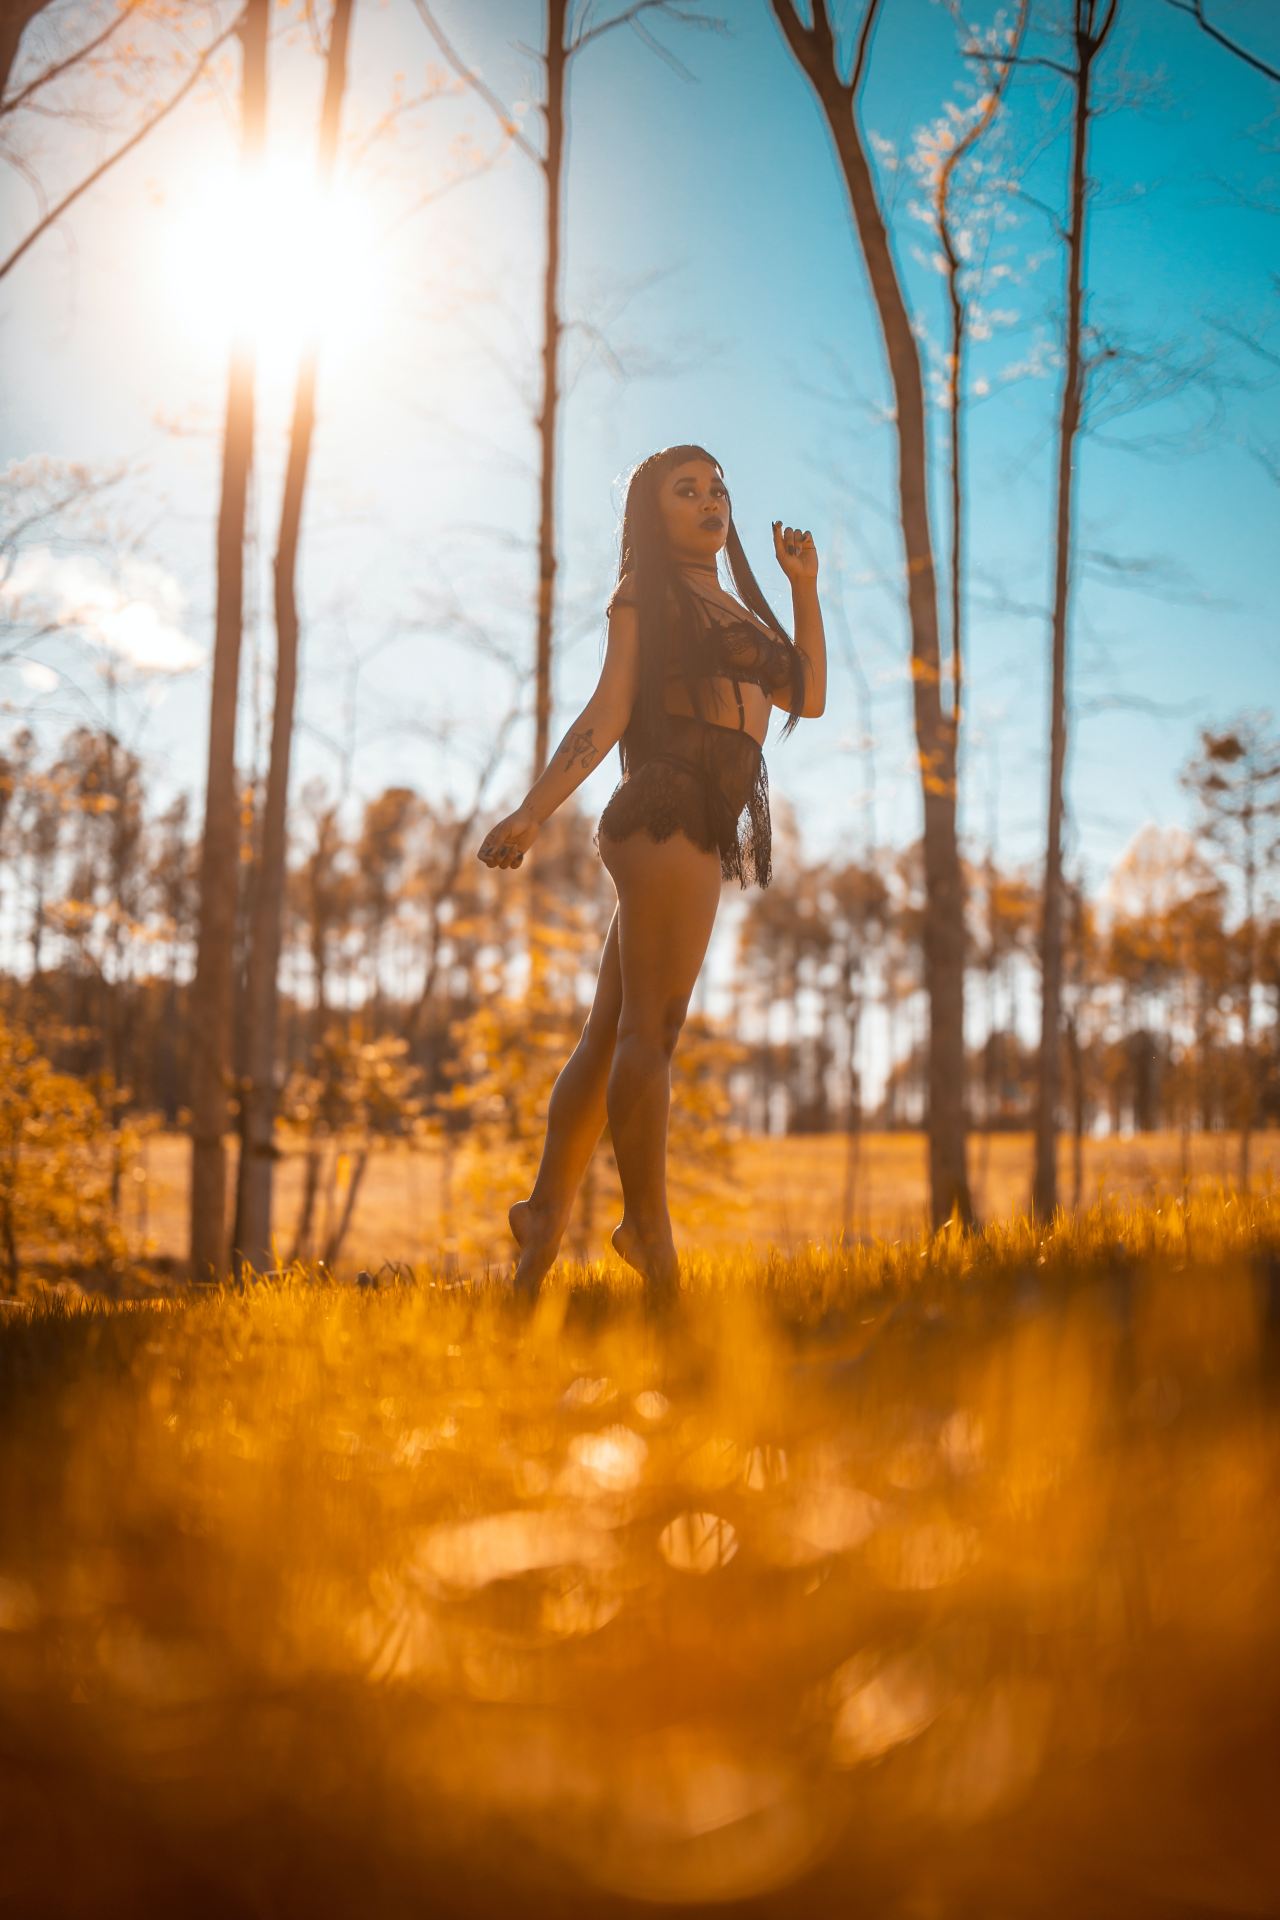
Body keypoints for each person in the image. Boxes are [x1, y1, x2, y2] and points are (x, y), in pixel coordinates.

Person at [476, 443, 827, 1302]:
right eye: (687, 490)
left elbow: (808, 697)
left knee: (609, 1036)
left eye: (718, 488)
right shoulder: (647, 594)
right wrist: (532, 811)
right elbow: (608, 709)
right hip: (665, 807)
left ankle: (541, 1222)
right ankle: (647, 1230)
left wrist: (803, 587)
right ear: (652, 513)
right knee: (653, 1036)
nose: (711, 500)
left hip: (698, 823)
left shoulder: (737, 607)